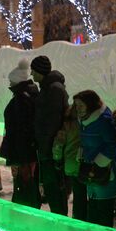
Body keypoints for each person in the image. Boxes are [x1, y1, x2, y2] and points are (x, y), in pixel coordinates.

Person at [74, 90, 116, 227]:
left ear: (90, 105)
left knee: (104, 212)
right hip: (91, 171)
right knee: (93, 209)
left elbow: (113, 145)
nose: (77, 109)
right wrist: (82, 155)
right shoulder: (84, 121)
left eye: (80, 106)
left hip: (106, 172)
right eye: (76, 106)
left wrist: (99, 163)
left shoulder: (104, 121)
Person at [30, 56, 69, 215]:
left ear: (40, 71)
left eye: (34, 70)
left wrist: (46, 148)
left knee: (55, 188)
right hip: (48, 148)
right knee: (52, 188)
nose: (31, 73)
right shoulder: (48, 88)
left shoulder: (53, 90)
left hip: (51, 150)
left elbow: (51, 122)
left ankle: (60, 220)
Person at [0, 60, 41, 208]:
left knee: (24, 181)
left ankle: (25, 207)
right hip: (25, 148)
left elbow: (21, 127)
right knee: (26, 180)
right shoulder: (29, 95)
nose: (10, 84)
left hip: (22, 149)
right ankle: (27, 205)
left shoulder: (22, 99)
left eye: (11, 81)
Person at [53, 105, 84, 220]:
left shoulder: (67, 125)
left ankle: (76, 218)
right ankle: (82, 218)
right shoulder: (87, 125)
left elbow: (58, 144)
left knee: (73, 192)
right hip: (87, 164)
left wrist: (57, 159)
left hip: (71, 164)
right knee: (82, 193)